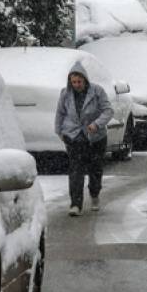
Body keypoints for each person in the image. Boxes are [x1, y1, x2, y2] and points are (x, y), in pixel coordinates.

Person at [54, 61, 113, 216]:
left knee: (95, 168)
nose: (77, 85)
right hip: (74, 136)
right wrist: (59, 131)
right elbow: (60, 113)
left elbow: (108, 110)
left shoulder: (97, 91)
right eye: (73, 82)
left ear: (85, 80)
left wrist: (97, 124)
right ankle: (75, 204)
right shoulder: (65, 94)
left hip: (95, 137)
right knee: (76, 170)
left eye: (79, 81)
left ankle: (94, 194)